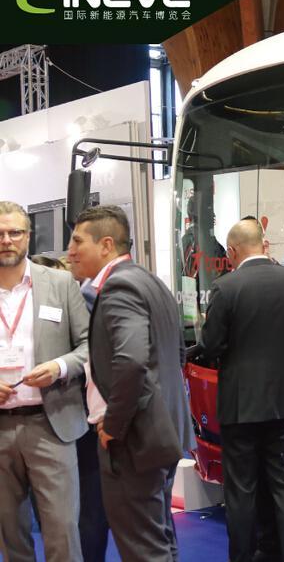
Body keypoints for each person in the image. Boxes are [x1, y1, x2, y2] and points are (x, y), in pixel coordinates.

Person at [202, 219, 284, 562]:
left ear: (232, 251)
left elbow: (212, 345)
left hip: (240, 405)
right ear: (264, 244)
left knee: (241, 491)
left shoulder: (225, 288)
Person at [67, 205, 195, 561]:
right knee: (159, 538)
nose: (70, 251)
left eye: (78, 241)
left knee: (142, 546)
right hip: (162, 430)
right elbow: (176, 354)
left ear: (106, 244)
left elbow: (132, 359)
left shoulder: (119, 287)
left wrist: (114, 424)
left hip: (135, 439)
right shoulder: (148, 280)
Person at [0, 201, 90, 562]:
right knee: (9, 534)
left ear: (28, 236)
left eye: (14, 232)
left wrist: (59, 367)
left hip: (50, 423)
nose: (6, 240)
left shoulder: (60, 283)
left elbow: (90, 345)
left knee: (62, 531)